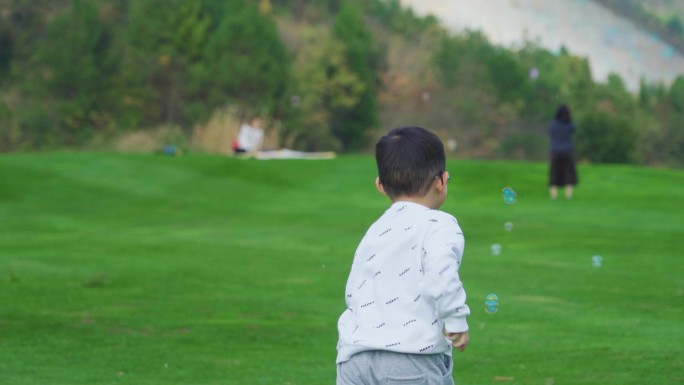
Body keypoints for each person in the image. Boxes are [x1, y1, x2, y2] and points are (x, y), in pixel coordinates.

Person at [336, 126, 470, 385]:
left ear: (380, 185)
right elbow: (441, 273)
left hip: (353, 359)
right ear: (442, 181)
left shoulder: (376, 229)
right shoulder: (440, 224)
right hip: (409, 360)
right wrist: (455, 318)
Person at [548, 104, 578, 200]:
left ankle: (553, 196)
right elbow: (574, 128)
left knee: (554, 173)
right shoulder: (569, 124)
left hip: (555, 151)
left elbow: (550, 132)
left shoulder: (552, 125)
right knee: (568, 173)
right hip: (567, 151)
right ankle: (568, 196)